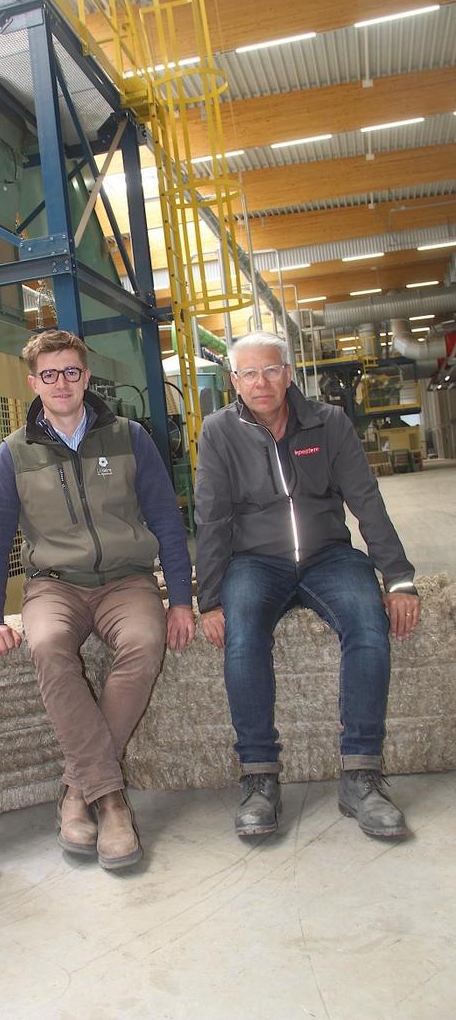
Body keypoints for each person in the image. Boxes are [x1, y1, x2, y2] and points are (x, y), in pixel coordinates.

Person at [0, 330, 195, 870]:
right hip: (54, 584)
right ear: (34, 383)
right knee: (48, 645)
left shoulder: (129, 437)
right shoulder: (13, 453)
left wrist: (181, 599)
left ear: (86, 377)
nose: (61, 383)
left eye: (71, 372)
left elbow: (166, 519)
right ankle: (112, 802)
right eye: (49, 374)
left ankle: (79, 789)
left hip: (127, 580)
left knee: (144, 642)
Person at [195, 332, 421, 840]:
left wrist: (399, 578)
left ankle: (361, 776)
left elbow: (366, 500)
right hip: (255, 562)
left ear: (289, 373)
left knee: (368, 623)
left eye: (271, 370)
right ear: (234, 380)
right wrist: (209, 600)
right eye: (249, 373)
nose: (261, 382)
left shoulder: (328, 422)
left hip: (328, 556)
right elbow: (211, 518)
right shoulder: (219, 431)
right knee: (243, 635)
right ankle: (259, 778)